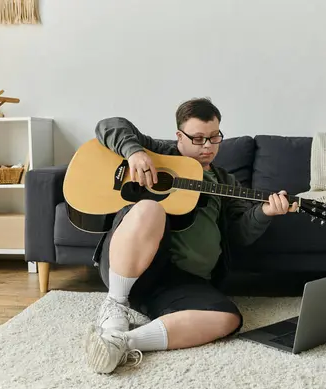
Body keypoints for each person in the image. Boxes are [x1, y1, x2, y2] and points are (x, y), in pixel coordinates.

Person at [85, 97, 298, 374]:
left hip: (180, 284)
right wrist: (134, 152)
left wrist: (265, 213)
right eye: (198, 139)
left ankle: (119, 343)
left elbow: (239, 237)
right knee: (150, 207)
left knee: (228, 319)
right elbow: (109, 125)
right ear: (179, 136)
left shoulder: (225, 182)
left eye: (214, 137)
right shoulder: (160, 152)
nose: (208, 146)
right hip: (131, 266)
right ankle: (115, 303)